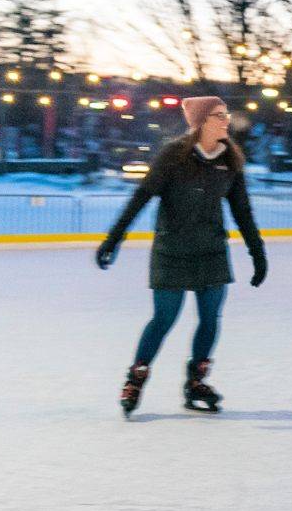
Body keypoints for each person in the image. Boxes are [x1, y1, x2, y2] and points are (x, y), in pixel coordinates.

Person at [97, 97, 267, 417]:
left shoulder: (230, 160)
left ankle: (195, 383)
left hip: (211, 251)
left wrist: (257, 253)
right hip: (172, 250)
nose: (226, 121)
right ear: (201, 122)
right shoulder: (173, 156)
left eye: (226, 115)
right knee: (164, 318)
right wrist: (114, 237)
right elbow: (142, 195)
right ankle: (136, 378)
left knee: (210, 318)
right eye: (219, 116)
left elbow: (242, 211)